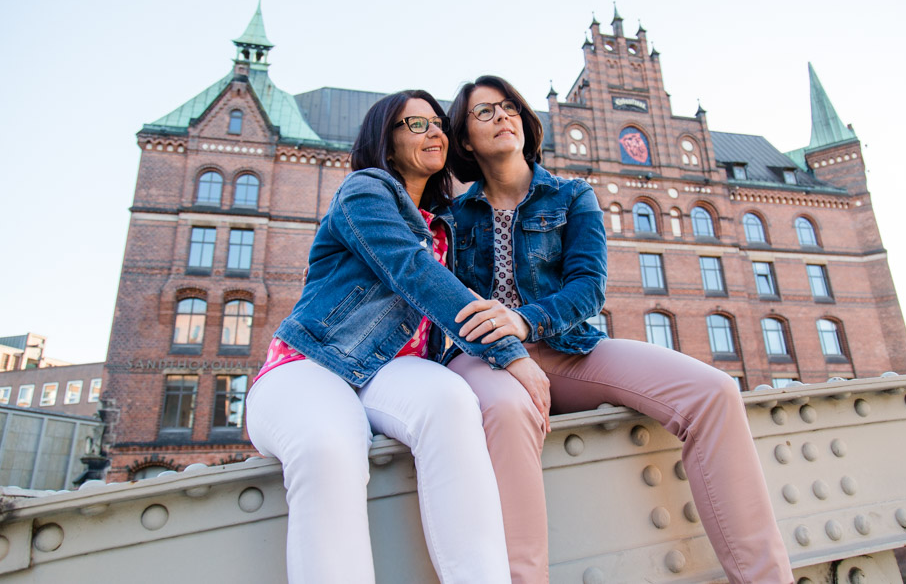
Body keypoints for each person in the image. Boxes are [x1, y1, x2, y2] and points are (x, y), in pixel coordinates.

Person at [443, 75, 794, 584]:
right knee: (509, 410)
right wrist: (505, 345)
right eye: (484, 112)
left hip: (566, 348)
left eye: (509, 107)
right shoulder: (451, 216)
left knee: (713, 392)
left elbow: (589, 289)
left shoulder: (572, 196)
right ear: (465, 138)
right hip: (485, 359)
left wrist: (525, 320)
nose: (502, 116)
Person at [246, 90, 530, 584]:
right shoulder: (364, 190)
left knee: (451, 401)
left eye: (438, 123)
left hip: (393, 370)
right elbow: (411, 269)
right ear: (387, 141)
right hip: (312, 362)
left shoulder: (446, 223)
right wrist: (512, 355)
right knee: (328, 446)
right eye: (416, 124)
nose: (434, 132)